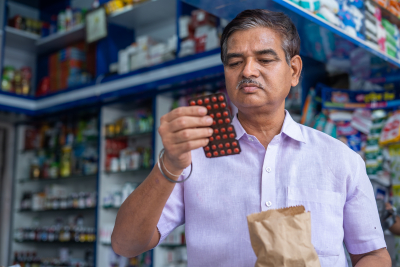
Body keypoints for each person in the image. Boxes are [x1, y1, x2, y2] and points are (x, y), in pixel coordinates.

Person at [111, 9, 391, 267]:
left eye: (265, 59)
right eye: (235, 62)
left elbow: (372, 254)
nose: (247, 71)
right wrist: (169, 165)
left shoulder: (340, 159)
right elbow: (126, 244)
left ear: (294, 70)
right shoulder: (192, 157)